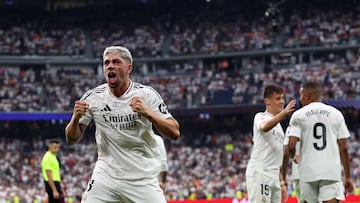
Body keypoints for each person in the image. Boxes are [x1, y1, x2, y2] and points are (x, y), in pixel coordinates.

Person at [65, 45, 180, 203]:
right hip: (106, 175)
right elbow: (71, 139)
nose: (110, 66)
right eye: (106, 63)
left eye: (116, 62)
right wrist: (75, 118)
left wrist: (148, 113)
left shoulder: (146, 94)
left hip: (141, 177)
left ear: (129, 68)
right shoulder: (92, 97)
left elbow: (174, 133)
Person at [287, 81, 354, 203]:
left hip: (308, 173)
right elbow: (343, 148)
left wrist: (293, 156)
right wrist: (348, 176)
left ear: (307, 96)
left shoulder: (298, 115)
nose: (300, 99)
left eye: (301, 95)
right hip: (331, 172)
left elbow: (291, 145)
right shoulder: (336, 114)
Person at [245, 84, 296, 203]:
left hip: (274, 176)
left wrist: (281, 181)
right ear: (267, 101)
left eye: (283, 98)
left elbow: (276, 157)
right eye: (278, 98)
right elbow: (264, 127)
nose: (282, 102)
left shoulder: (279, 127)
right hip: (260, 173)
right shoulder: (260, 116)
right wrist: (284, 113)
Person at [282, 126, 303, 203]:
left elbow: (286, 152)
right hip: (319, 173)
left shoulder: (293, 126)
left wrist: (283, 178)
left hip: (300, 173)